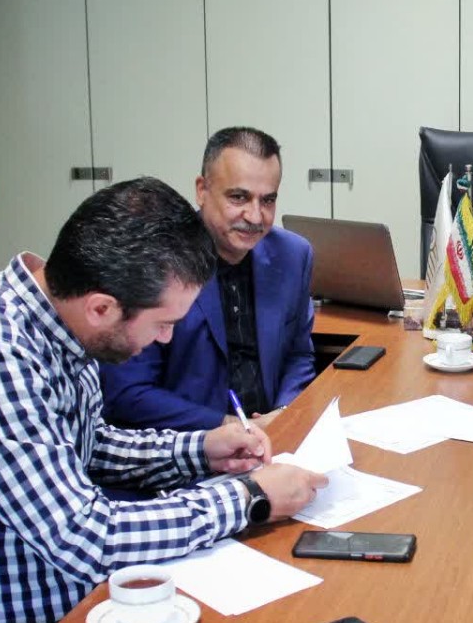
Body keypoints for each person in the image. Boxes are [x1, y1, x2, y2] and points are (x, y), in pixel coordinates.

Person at [0, 178, 327, 623]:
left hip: (87, 608)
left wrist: (202, 450)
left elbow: (89, 446)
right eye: (163, 323)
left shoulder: (58, 326)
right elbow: (84, 536)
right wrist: (248, 497)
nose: (165, 338)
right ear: (101, 307)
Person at [100, 127, 315, 432]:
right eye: (238, 197)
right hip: (185, 444)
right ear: (202, 190)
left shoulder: (293, 255)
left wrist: (283, 415)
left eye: (268, 200)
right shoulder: (151, 259)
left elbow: (299, 355)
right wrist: (229, 427)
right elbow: (128, 394)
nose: (255, 216)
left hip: (272, 437)